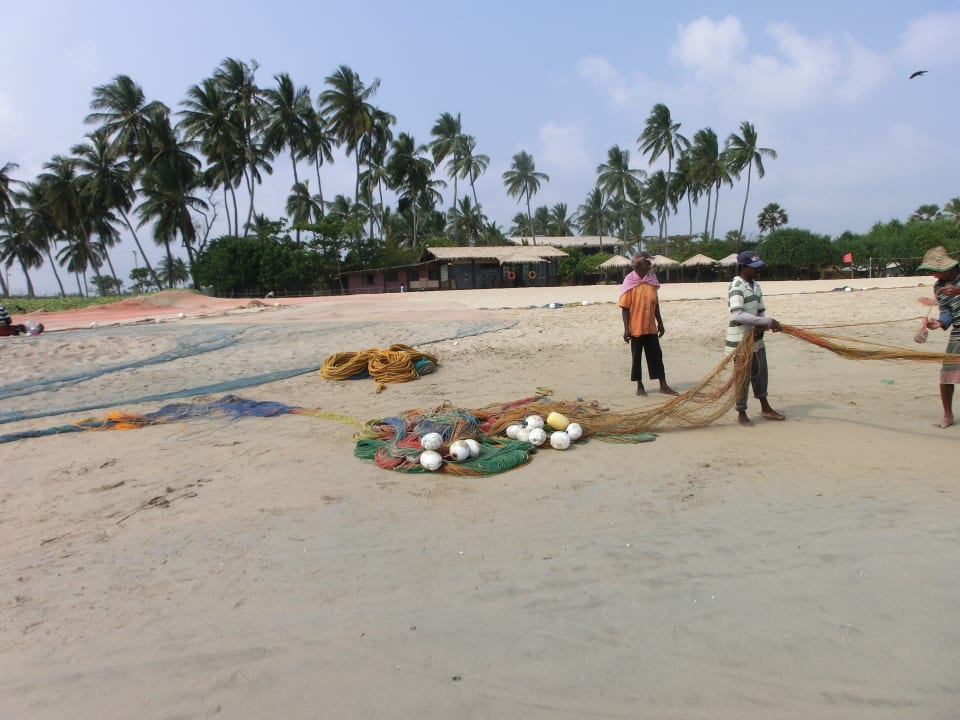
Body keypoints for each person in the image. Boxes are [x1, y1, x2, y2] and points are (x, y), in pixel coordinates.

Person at [726, 250, 784, 425]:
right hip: (740, 340)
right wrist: (766, 321)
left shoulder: (756, 286)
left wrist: (762, 325)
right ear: (743, 268)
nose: (757, 271)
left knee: (760, 372)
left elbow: (760, 309)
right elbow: (737, 314)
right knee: (742, 377)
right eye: (753, 268)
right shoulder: (736, 286)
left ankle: (765, 407)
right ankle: (741, 413)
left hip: (756, 339)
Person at [619, 251, 678, 396]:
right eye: (647, 262)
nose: (650, 265)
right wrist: (626, 329)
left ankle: (663, 385)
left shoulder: (652, 279)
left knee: (656, 356)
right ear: (639, 264)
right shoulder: (629, 281)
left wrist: (660, 323)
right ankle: (640, 385)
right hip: (636, 327)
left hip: (650, 327)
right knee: (637, 357)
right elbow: (625, 308)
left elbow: (655, 304)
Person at [919, 246, 960, 428]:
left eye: (937, 271)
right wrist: (940, 323)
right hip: (958, 332)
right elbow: (947, 313)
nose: (934, 275)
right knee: (946, 376)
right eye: (932, 271)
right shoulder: (939, 287)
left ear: (948, 267)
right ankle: (948, 416)